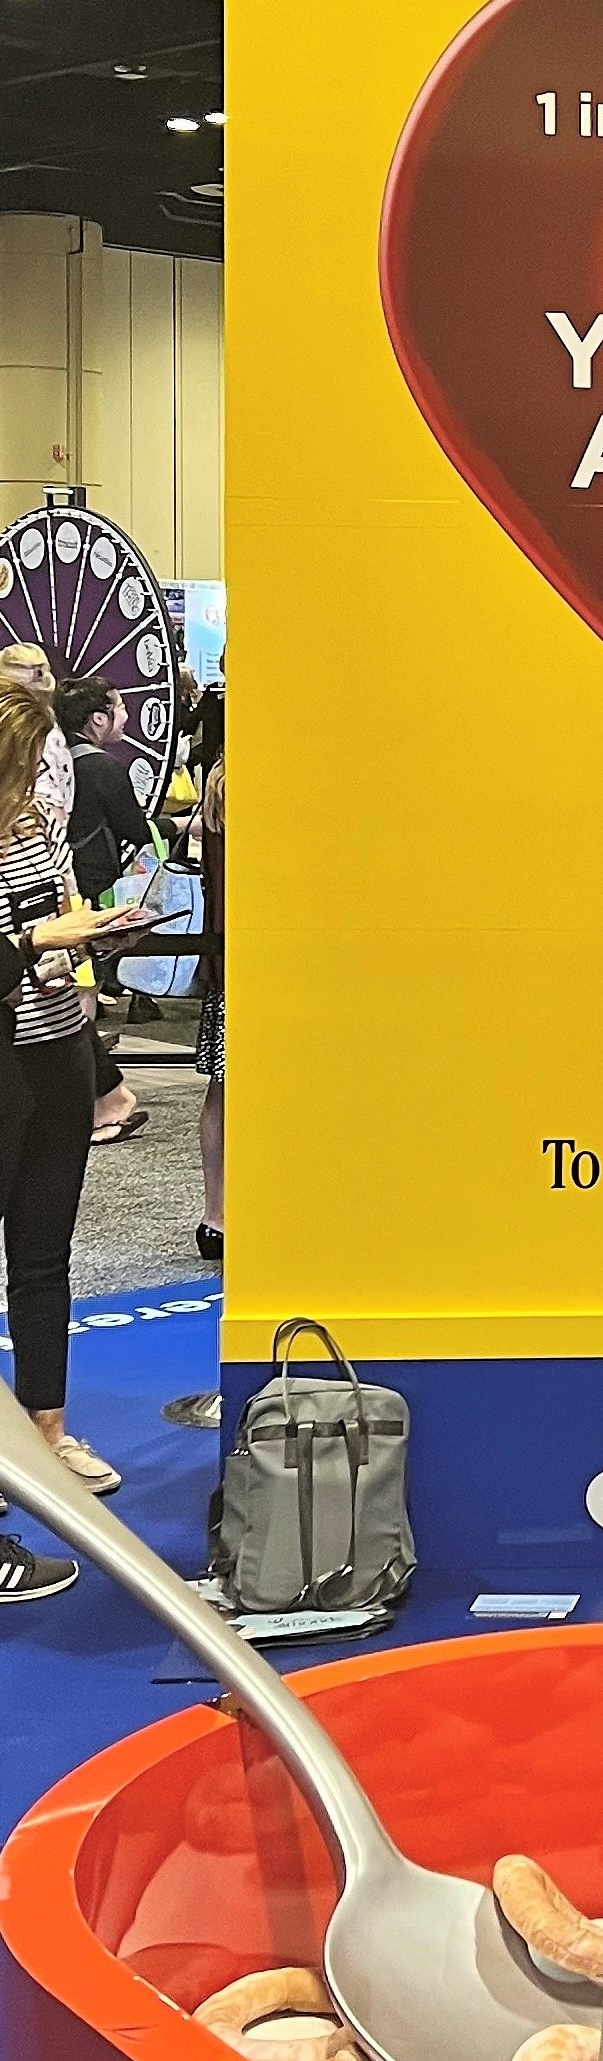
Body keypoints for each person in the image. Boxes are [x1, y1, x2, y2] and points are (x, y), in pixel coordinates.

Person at [0, 684, 149, 1596]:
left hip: (57, 1049)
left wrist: (74, 943)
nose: (55, 779)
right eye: (39, 764)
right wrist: (32, 939)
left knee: (45, 1253)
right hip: (2, 1064)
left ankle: (48, 1436)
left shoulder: (39, 836)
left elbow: (52, 933)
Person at [55, 677, 155, 1125]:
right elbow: (135, 828)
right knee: (84, 987)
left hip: (52, 890)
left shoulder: (55, 763)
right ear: (99, 718)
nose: (127, 717)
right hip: (88, 891)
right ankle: (91, 1101)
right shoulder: (103, 767)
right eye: (119, 708)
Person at [193, 745, 223, 1265]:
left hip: (226, 961)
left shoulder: (219, 782)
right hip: (262, 961)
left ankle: (214, 1215)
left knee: (224, 1091)